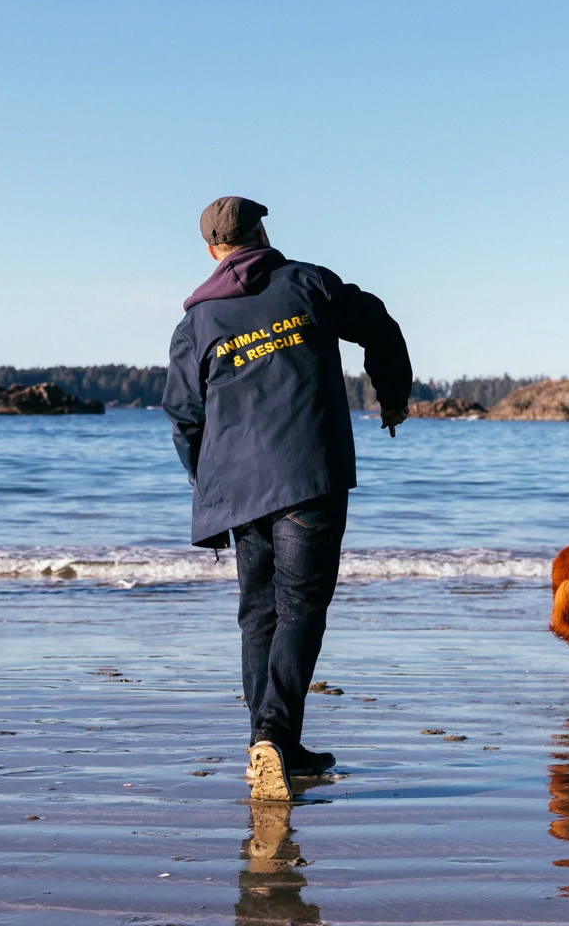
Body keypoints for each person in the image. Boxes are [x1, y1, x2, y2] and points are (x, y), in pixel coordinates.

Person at [163, 196, 411, 801]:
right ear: (262, 232)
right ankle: (274, 736)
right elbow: (378, 322)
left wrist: (210, 489)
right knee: (299, 608)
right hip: (311, 476)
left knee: (259, 613)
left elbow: (183, 416)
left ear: (210, 249)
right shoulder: (308, 283)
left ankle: (273, 746)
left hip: (241, 491)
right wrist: (393, 395)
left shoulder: (195, 325)